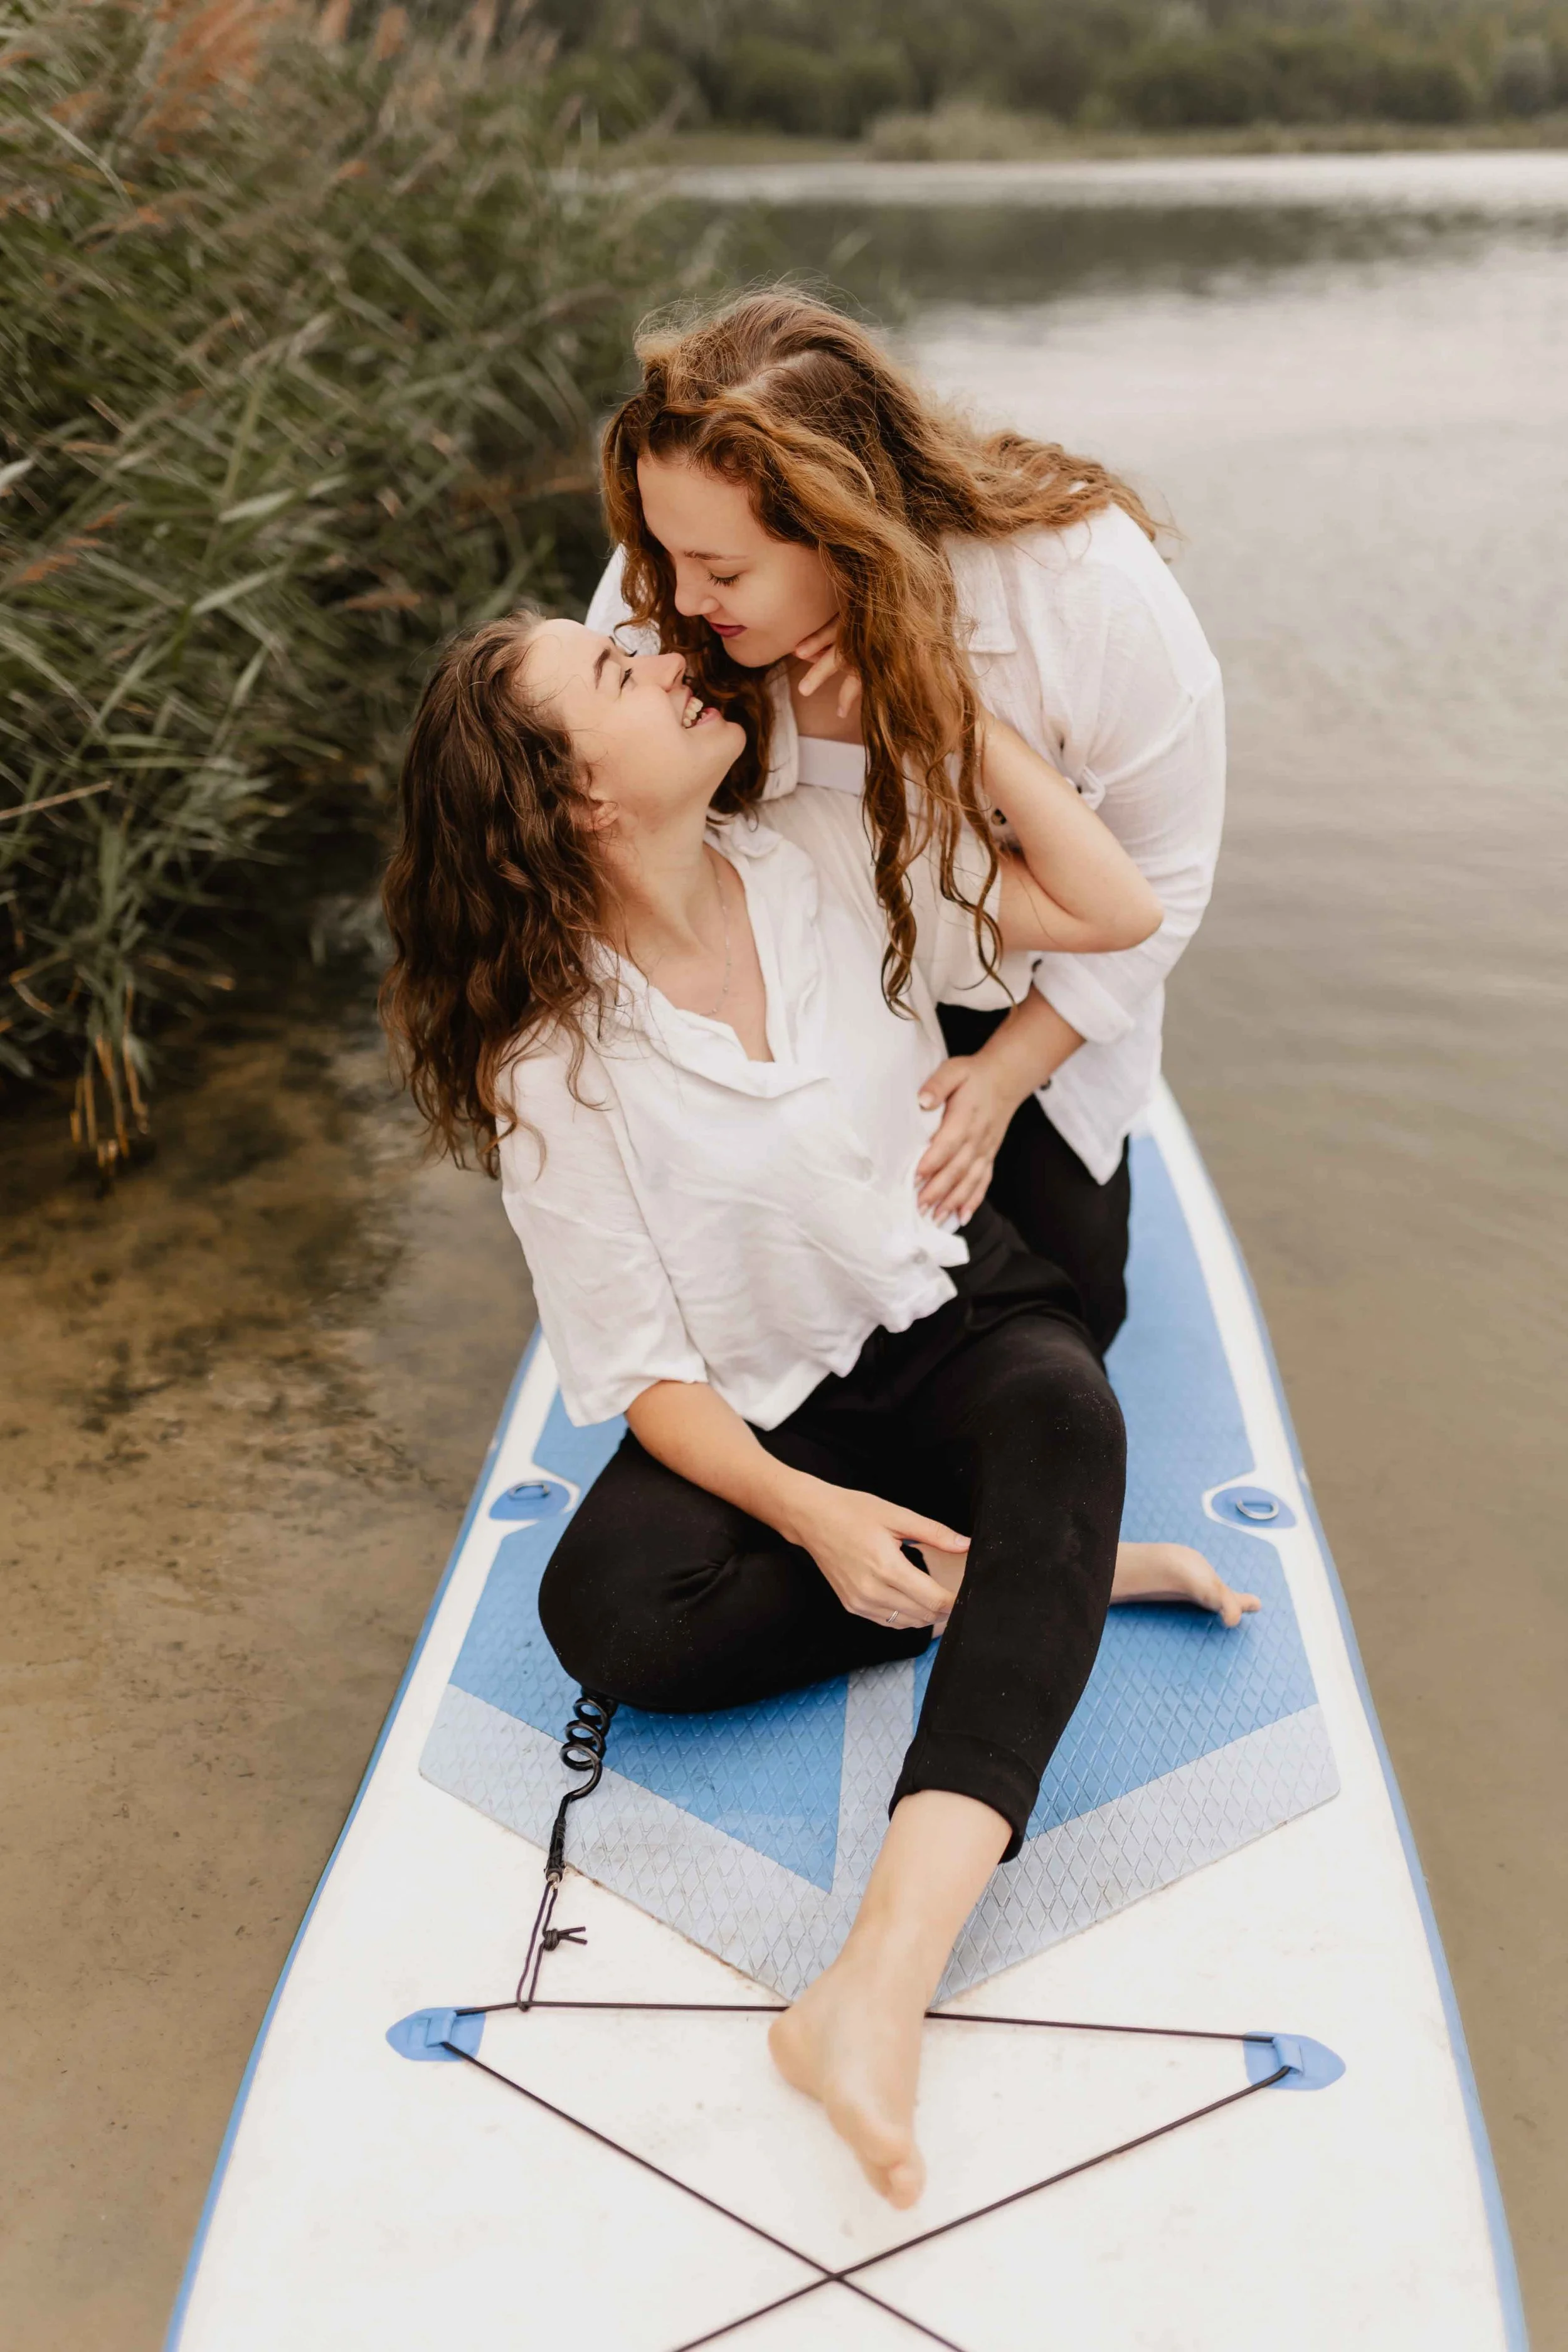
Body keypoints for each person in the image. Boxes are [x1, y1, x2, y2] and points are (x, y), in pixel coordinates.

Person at [381, 610, 1256, 2212]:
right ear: (574, 798)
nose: (658, 657)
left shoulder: (820, 851)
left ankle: (876, 1984)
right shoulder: (545, 1057)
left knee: (1067, 1415)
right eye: (612, 679)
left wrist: (940, 697)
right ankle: (1049, 1577)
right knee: (612, 1619)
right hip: (772, 1403)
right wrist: (808, 1509)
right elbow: (640, 1369)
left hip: (948, 1310)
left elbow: (1113, 910)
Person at [586, 289, 1226, 1357]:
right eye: (666, 553)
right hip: (789, 994)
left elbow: (1167, 879)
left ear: (844, 531)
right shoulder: (672, 575)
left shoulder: (1084, 594)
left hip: (1025, 994)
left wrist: (1005, 1075)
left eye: (726, 572)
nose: (677, 602)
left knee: (1068, 1314)